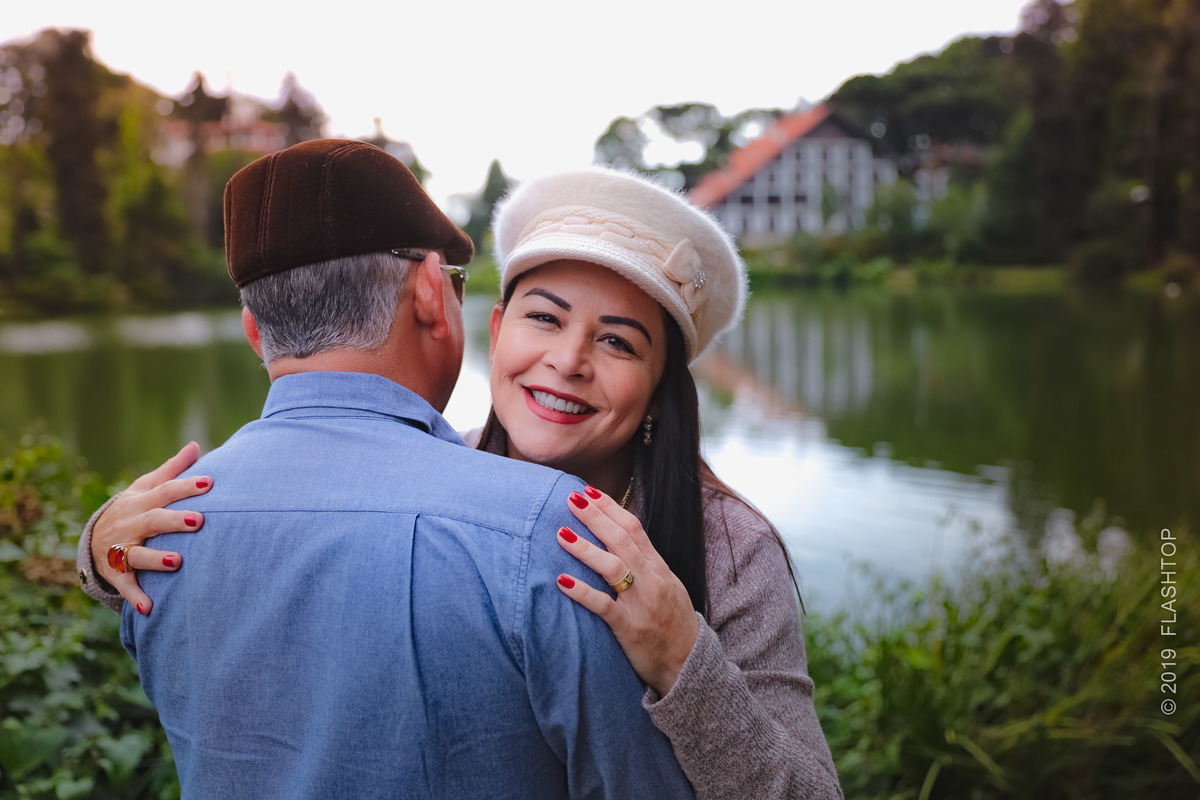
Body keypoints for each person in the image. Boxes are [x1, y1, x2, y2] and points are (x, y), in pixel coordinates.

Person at [80, 165, 843, 798]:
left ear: (658, 386)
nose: (569, 360)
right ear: (495, 326)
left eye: (617, 341)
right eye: (544, 319)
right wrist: (101, 549)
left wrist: (684, 657)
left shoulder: (730, 546)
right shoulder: (451, 478)